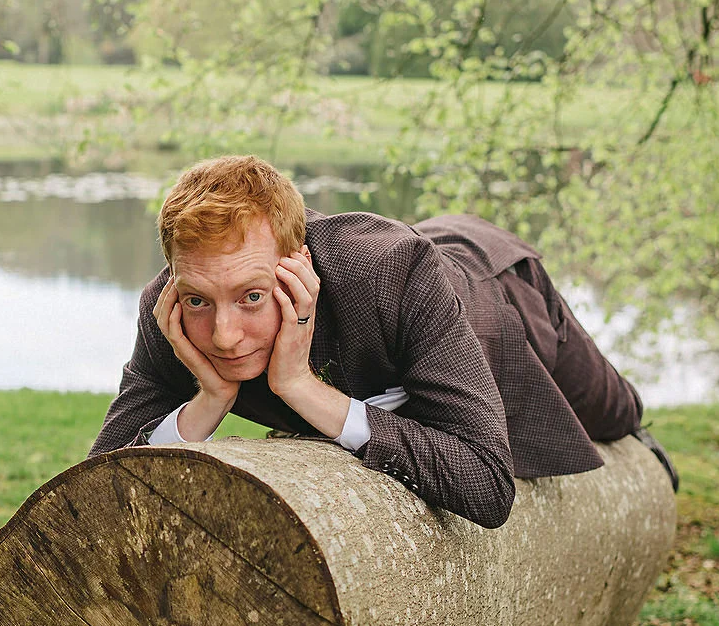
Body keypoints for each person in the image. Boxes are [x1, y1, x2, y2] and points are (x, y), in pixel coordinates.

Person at [89, 155, 677, 529]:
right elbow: (95, 486)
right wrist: (205, 406)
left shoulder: (394, 274)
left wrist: (301, 389)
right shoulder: (171, 311)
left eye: (251, 297)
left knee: (614, 409)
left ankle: (640, 431)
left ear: (298, 268)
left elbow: (487, 486)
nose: (222, 334)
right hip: (407, 311)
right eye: (199, 299)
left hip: (495, 298)